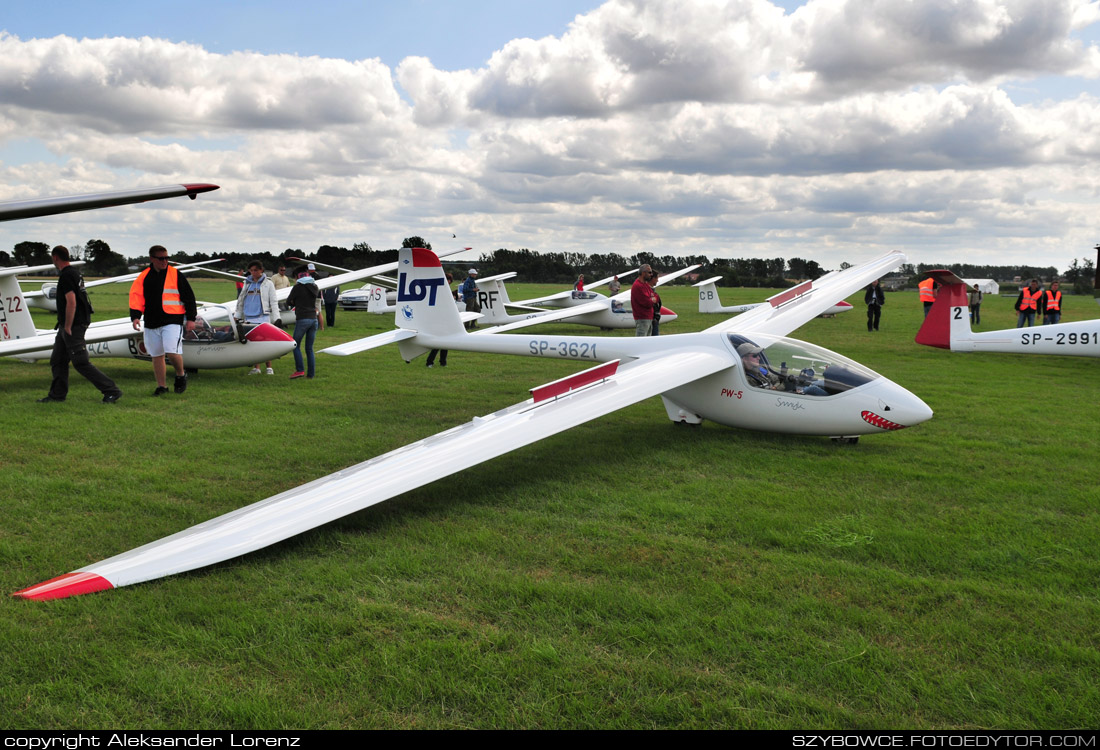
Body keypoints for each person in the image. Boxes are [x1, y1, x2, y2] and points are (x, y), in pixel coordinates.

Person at [37, 246, 122, 404]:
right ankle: (57, 395)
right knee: (58, 360)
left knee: (81, 362)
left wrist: (68, 326)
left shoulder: (67, 276)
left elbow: (71, 302)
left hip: (73, 325)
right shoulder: (75, 273)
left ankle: (112, 391)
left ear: (55, 257)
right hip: (67, 325)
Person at [129, 244, 198, 396]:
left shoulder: (176, 274)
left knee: (171, 352)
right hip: (152, 321)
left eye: (167, 258)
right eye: (161, 258)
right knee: (156, 355)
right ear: (152, 259)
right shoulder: (144, 276)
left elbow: (189, 297)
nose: (165, 261)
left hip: (172, 319)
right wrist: (135, 317)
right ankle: (162, 387)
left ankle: (181, 374)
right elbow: (136, 297)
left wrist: (191, 318)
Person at [236, 260, 282, 374]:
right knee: (253, 344)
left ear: (261, 270)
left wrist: (277, 318)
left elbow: (274, 301)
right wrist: (237, 315)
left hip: (262, 316)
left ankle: (269, 367)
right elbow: (241, 299)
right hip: (248, 316)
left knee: (264, 343)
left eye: (255, 270)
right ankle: (257, 368)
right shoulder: (247, 282)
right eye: (251, 270)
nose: (253, 272)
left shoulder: (268, 283)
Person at [738, 341, 828, 396]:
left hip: (784, 391)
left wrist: (783, 379)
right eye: (755, 355)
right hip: (780, 398)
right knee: (813, 389)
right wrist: (780, 385)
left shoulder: (760, 369)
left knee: (818, 383)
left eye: (758, 355)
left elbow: (775, 378)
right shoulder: (747, 379)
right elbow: (766, 394)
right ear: (744, 359)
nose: (758, 358)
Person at [286, 267, 321, 379]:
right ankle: (311, 374)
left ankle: (300, 370)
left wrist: (296, 302)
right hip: (313, 319)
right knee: (309, 348)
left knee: (295, 345)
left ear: (298, 277)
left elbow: (288, 301)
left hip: (302, 319)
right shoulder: (314, 286)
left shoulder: (297, 287)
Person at [427, 272, 455, 368]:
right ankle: (430, 362)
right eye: (448, 280)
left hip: (445, 319)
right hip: (438, 318)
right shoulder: (438, 289)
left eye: (450, 281)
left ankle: (443, 362)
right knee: (439, 341)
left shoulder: (444, 290)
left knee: (445, 342)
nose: (449, 283)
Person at [631, 264, 657, 336]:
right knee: (641, 342)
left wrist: (652, 299)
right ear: (643, 273)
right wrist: (652, 299)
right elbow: (647, 303)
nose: (651, 275)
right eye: (649, 272)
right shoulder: (638, 286)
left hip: (648, 317)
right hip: (642, 318)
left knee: (647, 342)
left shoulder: (645, 284)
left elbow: (654, 296)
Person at [649, 271, 662, 336]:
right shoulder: (648, 290)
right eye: (657, 278)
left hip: (654, 318)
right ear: (653, 278)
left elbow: (656, 300)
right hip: (652, 319)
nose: (657, 280)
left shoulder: (652, 290)